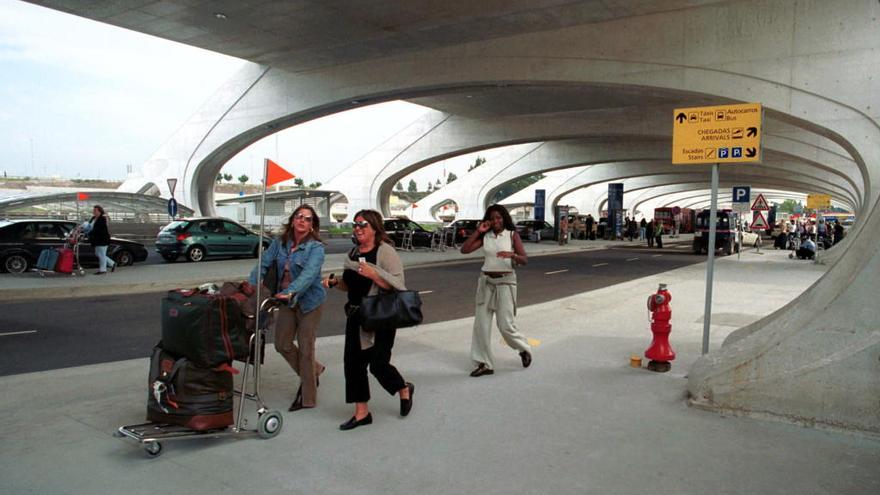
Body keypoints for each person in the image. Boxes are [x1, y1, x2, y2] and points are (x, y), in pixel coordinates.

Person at [322, 209, 413, 430]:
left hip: (381, 315)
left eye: (362, 224)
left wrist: (375, 275)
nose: (358, 228)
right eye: (355, 224)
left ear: (374, 227)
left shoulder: (385, 252)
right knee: (353, 365)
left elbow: (399, 285)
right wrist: (336, 283)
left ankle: (403, 388)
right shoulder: (352, 254)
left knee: (378, 364)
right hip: (356, 315)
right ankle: (362, 413)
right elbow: (350, 284)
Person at [250, 205, 327, 412]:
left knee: (305, 349)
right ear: (293, 220)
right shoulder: (279, 244)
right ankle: (315, 370)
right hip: (285, 302)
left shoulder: (316, 248)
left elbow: (309, 275)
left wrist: (290, 291)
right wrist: (251, 284)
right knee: (282, 344)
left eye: (308, 219)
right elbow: (264, 264)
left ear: (312, 226)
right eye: (299, 217)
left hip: (309, 302)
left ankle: (307, 398)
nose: (303, 221)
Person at [460, 204, 532, 377]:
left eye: (498, 218)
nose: (495, 221)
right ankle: (485, 364)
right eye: (492, 219)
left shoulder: (512, 235)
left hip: (505, 283)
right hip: (486, 282)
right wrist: (478, 231)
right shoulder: (486, 236)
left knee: (505, 325)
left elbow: (524, 260)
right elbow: (465, 250)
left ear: (504, 218)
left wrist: (512, 255)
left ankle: (523, 349)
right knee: (481, 325)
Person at [88, 205, 116, 275]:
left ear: (100, 211)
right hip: (96, 239)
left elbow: (99, 229)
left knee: (102, 255)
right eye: (93, 210)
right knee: (98, 254)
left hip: (102, 239)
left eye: (95, 210)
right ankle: (112, 263)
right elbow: (89, 226)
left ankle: (103, 270)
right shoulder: (93, 218)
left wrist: (90, 232)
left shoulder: (103, 219)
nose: (94, 212)